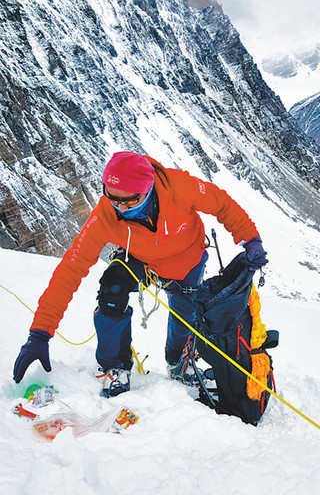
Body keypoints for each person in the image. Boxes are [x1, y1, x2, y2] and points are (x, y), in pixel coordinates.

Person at [13, 151, 268, 397]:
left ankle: (179, 361)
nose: (121, 208)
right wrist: (40, 332)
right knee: (112, 290)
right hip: (139, 260)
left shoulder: (179, 187)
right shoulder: (105, 215)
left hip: (186, 261)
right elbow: (70, 269)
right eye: (113, 198)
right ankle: (114, 365)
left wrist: (250, 238)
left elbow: (221, 204)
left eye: (130, 200)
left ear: (148, 189)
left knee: (185, 318)